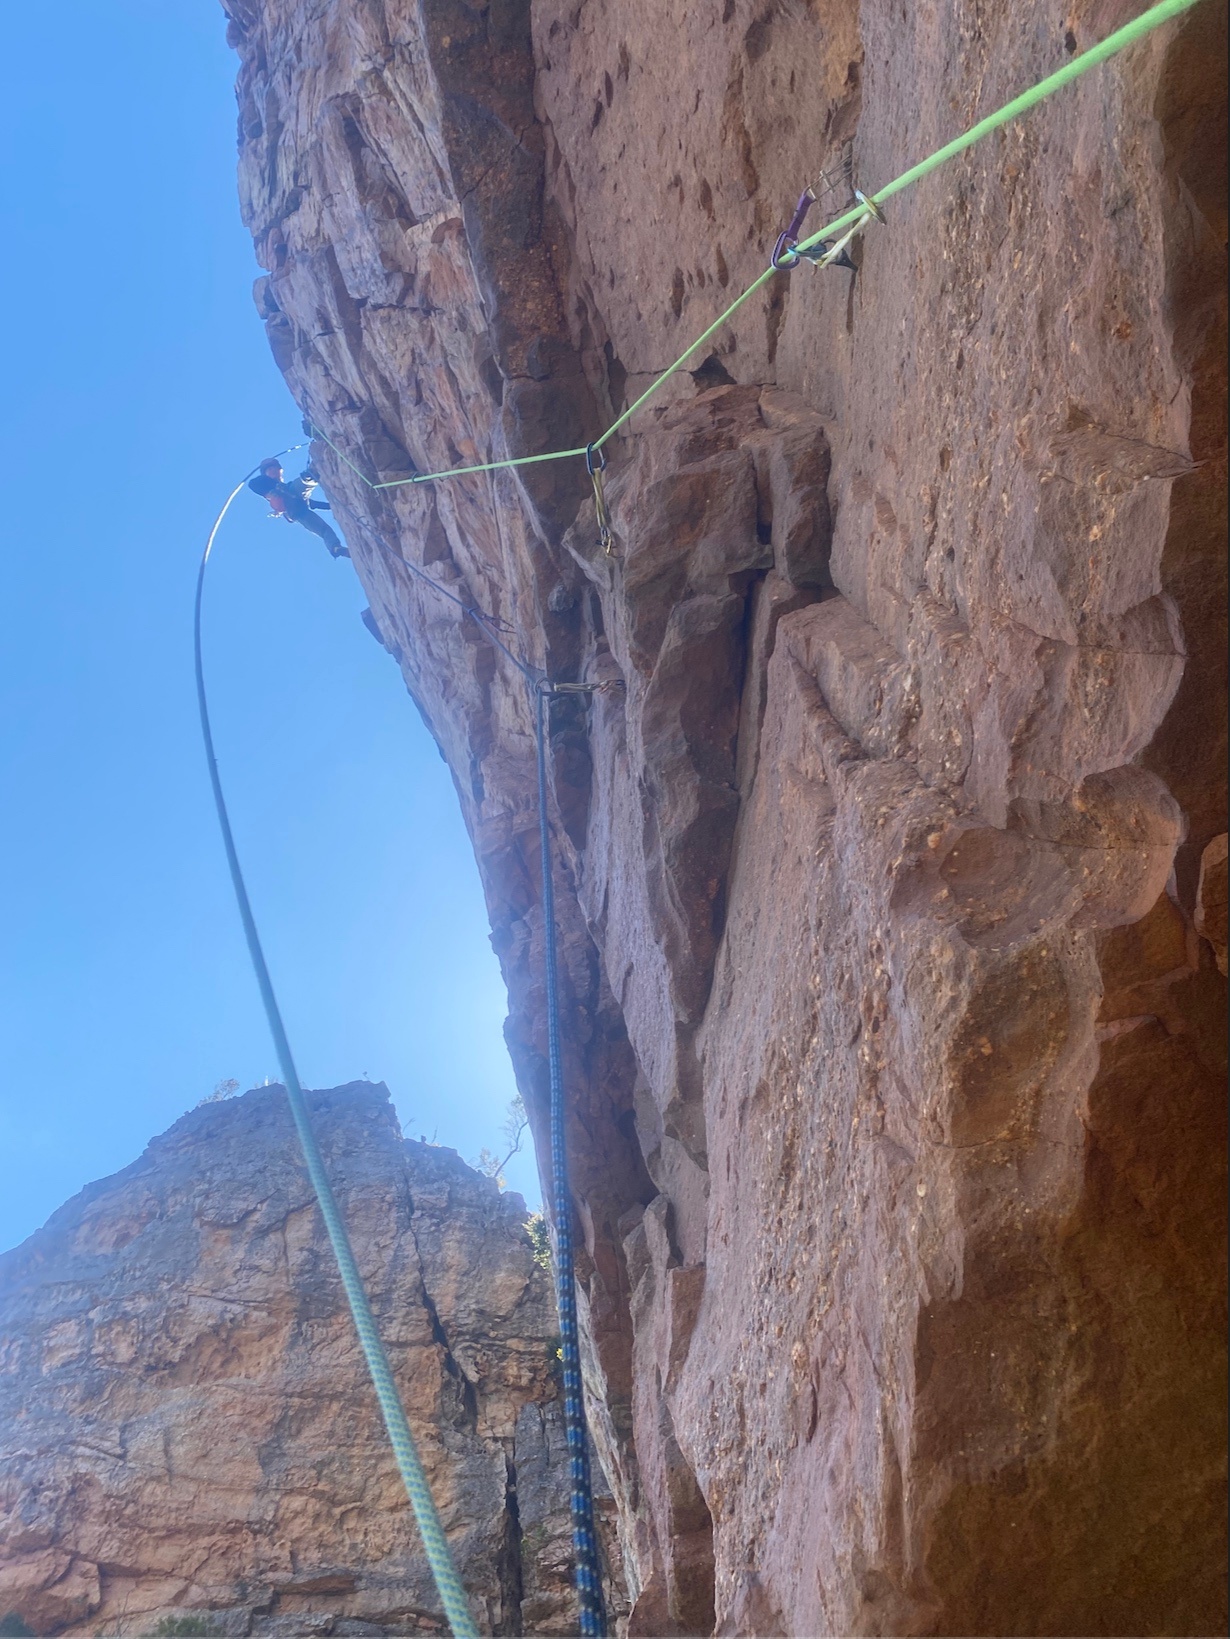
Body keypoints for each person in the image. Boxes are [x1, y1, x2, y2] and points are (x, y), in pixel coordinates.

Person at [247, 458, 349, 558]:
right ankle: (309, 476)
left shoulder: (284, 487)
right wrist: (271, 489)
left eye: (274, 468)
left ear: (280, 471)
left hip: (299, 510)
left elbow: (312, 503)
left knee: (324, 530)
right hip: (295, 509)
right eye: (269, 469)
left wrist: (332, 506)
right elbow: (253, 484)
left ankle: (335, 548)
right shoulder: (268, 487)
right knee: (303, 483)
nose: (272, 470)